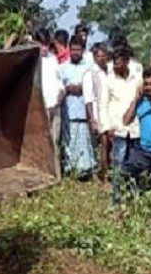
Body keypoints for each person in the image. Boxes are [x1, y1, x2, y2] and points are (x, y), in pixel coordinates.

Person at [101, 47, 141, 206]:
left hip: (136, 129)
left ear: (126, 62)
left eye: (118, 64)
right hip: (118, 129)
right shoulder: (109, 80)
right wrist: (107, 127)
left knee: (134, 165)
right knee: (117, 165)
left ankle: (133, 198)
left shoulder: (137, 78)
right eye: (114, 64)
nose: (115, 67)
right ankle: (116, 200)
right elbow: (103, 105)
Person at [58, 37, 98, 178]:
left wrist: (82, 88)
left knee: (85, 140)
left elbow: (94, 87)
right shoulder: (62, 68)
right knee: (69, 141)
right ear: (69, 49)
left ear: (83, 50)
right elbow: (58, 87)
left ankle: (87, 169)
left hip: (84, 110)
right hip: (68, 109)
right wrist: (68, 88)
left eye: (78, 50)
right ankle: (70, 168)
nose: (75, 52)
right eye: (73, 49)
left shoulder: (89, 68)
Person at [35, 28, 63, 150]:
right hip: (41, 106)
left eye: (46, 44)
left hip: (55, 105)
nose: (44, 47)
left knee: (54, 140)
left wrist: (61, 93)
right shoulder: (33, 60)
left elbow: (59, 80)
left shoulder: (53, 59)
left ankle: (55, 168)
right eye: (42, 44)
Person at [91, 42, 110, 177]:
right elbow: (90, 98)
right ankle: (102, 172)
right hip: (100, 112)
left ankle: (109, 170)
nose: (102, 58)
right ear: (94, 57)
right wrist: (93, 118)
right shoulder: (91, 73)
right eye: (99, 56)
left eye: (104, 56)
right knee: (103, 144)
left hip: (111, 111)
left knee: (111, 143)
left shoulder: (110, 71)